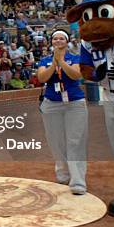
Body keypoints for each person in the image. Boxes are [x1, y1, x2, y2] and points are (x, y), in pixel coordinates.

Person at [37, 30, 88, 195]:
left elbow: (75, 75)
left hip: (74, 103)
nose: (58, 40)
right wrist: (54, 63)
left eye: (61, 38)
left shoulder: (75, 58)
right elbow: (42, 78)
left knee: (75, 141)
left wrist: (61, 62)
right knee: (55, 142)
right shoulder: (45, 60)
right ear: (51, 42)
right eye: (55, 38)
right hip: (52, 103)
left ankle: (78, 182)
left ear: (66, 41)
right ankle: (63, 175)